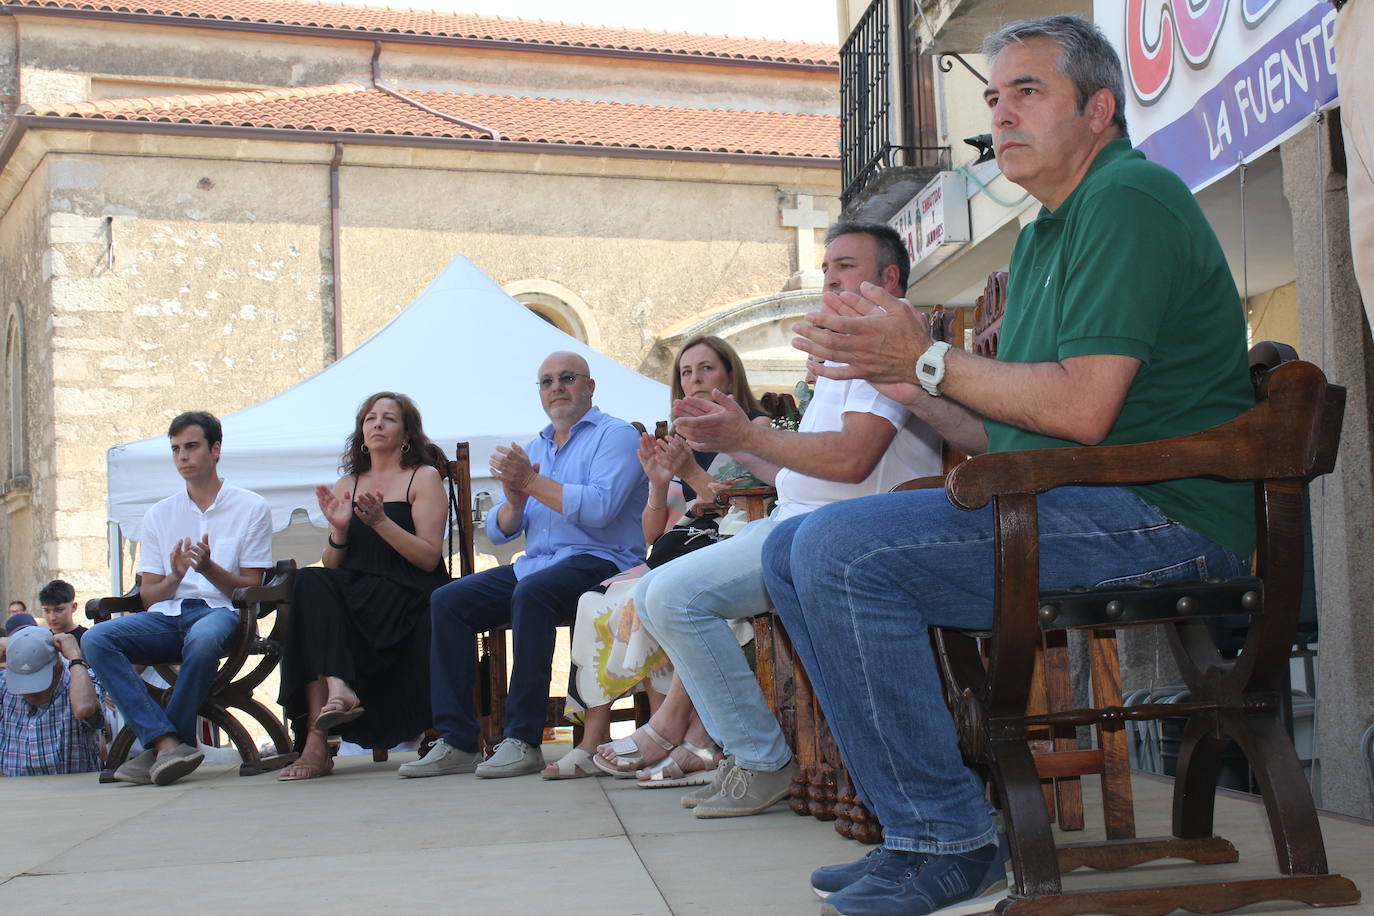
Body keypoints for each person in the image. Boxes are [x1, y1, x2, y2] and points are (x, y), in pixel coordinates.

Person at [765, 16, 1256, 915]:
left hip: (1169, 518)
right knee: (785, 552)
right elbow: (1016, 439)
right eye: (994, 98)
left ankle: (951, 842)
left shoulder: (1128, 198)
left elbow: (1082, 406)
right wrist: (905, 382)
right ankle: (920, 834)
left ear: (1099, 108)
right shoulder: (1038, 237)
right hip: (1079, 500)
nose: (1002, 114)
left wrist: (923, 358)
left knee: (839, 551)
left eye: (1027, 91)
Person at [628, 222, 943, 818]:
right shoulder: (846, 353)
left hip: (847, 532)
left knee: (670, 595)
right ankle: (748, 755)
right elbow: (797, 474)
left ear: (890, 279)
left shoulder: (887, 345)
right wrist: (735, 438)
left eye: (845, 266)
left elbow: (852, 461)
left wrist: (746, 433)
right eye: (826, 270)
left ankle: (758, 759)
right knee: (657, 593)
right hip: (801, 522)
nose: (829, 280)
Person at [399, 351, 647, 780]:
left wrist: (531, 483)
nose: (556, 388)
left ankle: (523, 738)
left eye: (567, 378)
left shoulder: (616, 436)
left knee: (532, 593)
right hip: (538, 564)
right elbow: (499, 529)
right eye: (546, 382)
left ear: (589, 386)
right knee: (448, 600)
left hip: (603, 562)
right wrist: (515, 500)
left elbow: (601, 509)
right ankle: (458, 739)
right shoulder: (535, 447)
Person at [549, 336, 770, 781]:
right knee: (594, 600)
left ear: (730, 374)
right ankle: (593, 741)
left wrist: (691, 473)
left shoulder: (756, 427)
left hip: (729, 544)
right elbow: (653, 533)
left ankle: (670, 732)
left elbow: (751, 507)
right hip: (677, 547)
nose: (696, 380)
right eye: (686, 373)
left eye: (706, 369)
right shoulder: (683, 437)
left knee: (647, 599)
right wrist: (656, 482)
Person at [83, 411, 273, 787]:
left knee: (201, 639)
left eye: (191, 447)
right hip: (169, 616)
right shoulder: (159, 514)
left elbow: (250, 589)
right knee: (95, 639)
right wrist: (175, 576)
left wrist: (208, 569)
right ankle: (167, 742)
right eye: (175, 450)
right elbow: (151, 597)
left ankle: (164, 746)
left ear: (215, 450)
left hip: (223, 614)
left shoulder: (251, 507)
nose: (183, 456)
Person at [276, 392, 449, 781]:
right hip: (356, 590)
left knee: (323, 602)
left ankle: (318, 742)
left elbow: (427, 558)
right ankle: (335, 698)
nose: (377, 424)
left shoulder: (422, 477)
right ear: (361, 431)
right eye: (370, 418)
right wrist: (339, 528)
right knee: (308, 581)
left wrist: (380, 523)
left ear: (406, 433)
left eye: (388, 418)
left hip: (407, 590)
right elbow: (333, 562)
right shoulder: (347, 482)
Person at [0, 624, 104, 776]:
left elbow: (84, 708)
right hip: (17, 794)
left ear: (58, 670)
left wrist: (75, 657)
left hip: (73, 794)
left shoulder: (79, 679)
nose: (28, 692)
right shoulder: (4, 683)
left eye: (36, 683)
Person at [39, 580, 88, 647]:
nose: (52, 617)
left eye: (59, 610)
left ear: (74, 607)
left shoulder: (87, 638)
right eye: (46, 611)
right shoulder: (42, 640)